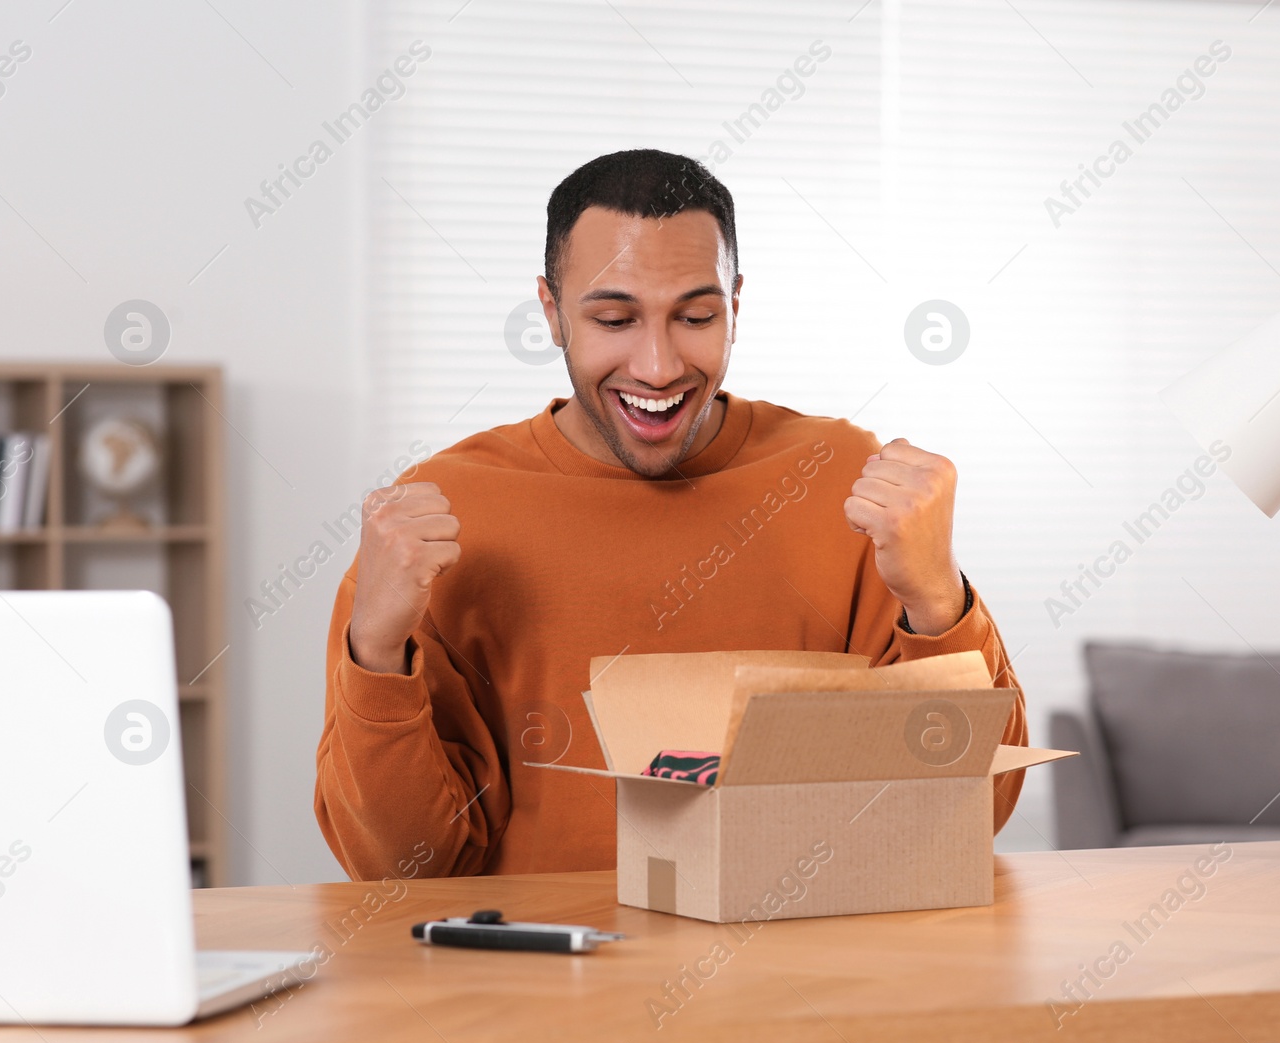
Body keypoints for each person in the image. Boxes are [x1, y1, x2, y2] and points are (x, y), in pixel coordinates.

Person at [315, 148, 1026, 879]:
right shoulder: (443, 513)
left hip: (796, 972)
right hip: (542, 977)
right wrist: (376, 646)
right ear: (552, 312)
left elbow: (969, 812)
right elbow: (398, 870)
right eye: (615, 317)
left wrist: (938, 599)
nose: (657, 366)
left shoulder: (845, 481)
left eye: (694, 315)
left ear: (737, 307)